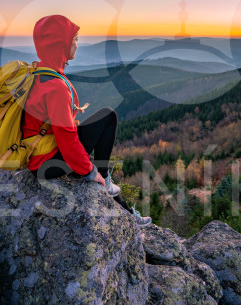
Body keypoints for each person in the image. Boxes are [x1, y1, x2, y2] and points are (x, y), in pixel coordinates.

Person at [21, 14, 151, 227]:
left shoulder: (38, 72)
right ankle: (106, 180)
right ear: (61, 44)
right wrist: (90, 173)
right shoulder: (56, 87)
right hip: (47, 161)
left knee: (97, 161)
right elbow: (67, 140)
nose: (77, 44)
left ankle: (124, 209)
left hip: (40, 153)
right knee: (108, 117)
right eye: (75, 39)